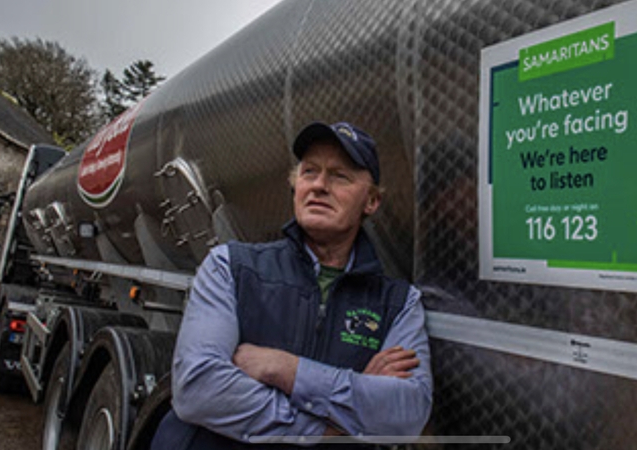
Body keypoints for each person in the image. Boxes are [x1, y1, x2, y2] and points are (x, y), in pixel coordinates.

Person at [152, 121, 433, 449]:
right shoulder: (231, 267)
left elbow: (407, 414)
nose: (319, 185)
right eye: (309, 172)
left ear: (371, 201)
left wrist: (286, 369)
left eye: (340, 176)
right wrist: (335, 423)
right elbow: (198, 389)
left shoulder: (398, 304)